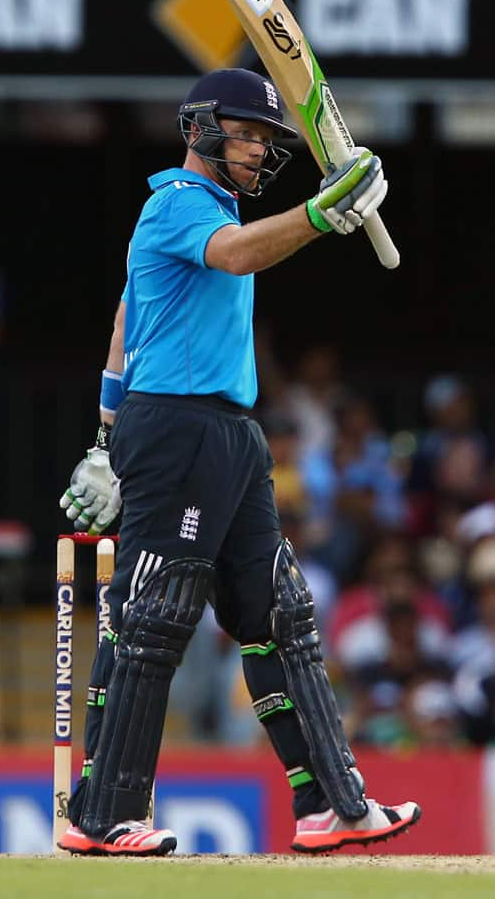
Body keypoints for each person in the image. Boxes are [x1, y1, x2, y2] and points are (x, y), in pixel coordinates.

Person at [58, 68, 421, 856]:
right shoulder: (180, 204)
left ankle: (333, 803)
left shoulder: (205, 211)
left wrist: (103, 428)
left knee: (279, 616)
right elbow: (238, 256)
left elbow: (129, 311)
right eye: (248, 133)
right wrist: (323, 214)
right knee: (154, 618)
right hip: (178, 426)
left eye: (266, 137)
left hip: (228, 432)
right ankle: (104, 815)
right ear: (201, 130)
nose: (260, 149)